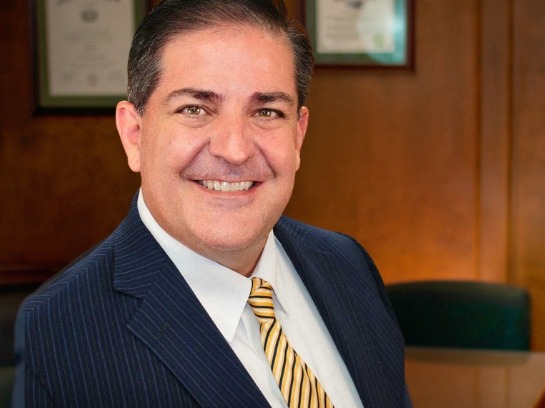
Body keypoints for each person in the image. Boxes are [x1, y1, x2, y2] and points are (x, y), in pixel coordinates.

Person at [13, 0, 411, 407]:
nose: (235, 150)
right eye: (195, 109)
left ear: (297, 136)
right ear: (134, 134)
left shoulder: (349, 265)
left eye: (267, 112)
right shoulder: (57, 333)